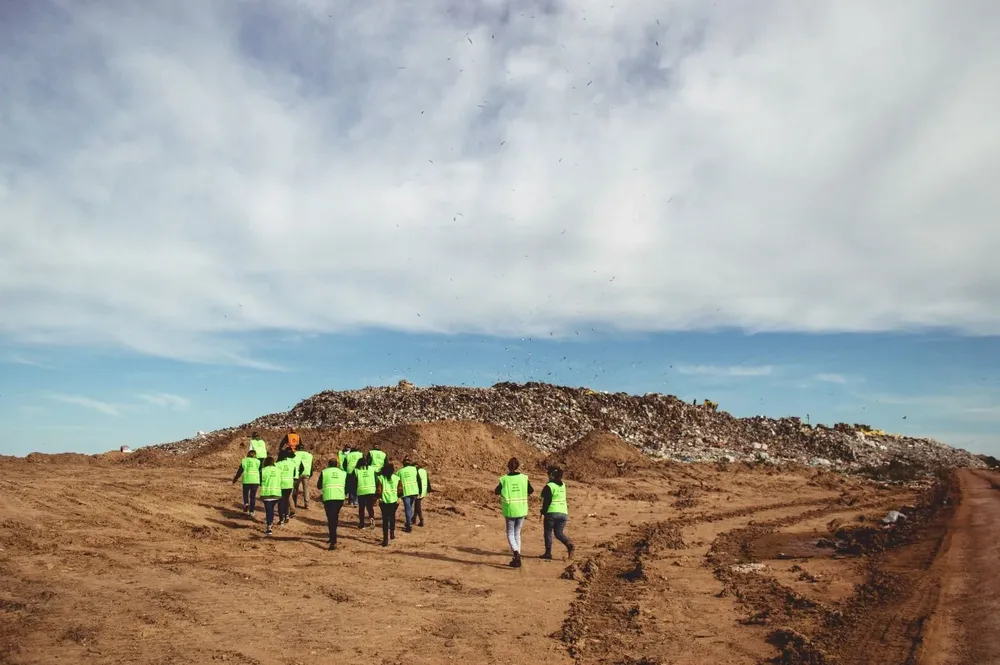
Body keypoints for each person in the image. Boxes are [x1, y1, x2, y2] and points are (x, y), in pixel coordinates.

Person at [495, 457, 533, 568]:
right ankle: (517, 557)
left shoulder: (504, 479)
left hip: (510, 510)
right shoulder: (524, 478)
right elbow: (531, 490)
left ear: (508, 466)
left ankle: (516, 554)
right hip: (522, 509)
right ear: (518, 466)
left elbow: (496, 491)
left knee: (510, 533)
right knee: (517, 533)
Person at [540, 465, 574, 560]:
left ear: (551, 475)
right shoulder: (563, 485)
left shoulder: (549, 486)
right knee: (559, 533)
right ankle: (569, 544)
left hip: (552, 512)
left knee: (548, 532)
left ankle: (548, 553)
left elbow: (547, 501)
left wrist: (543, 511)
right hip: (563, 512)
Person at [316, 460, 347, 550]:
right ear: (336, 465)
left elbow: (319, 486)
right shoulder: (343, 473)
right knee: (334, 517)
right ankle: (332, 537)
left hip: (329, 498)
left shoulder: (324, 472)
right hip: (340, 498)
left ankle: (333, 541)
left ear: (328, 464)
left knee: (331, 519)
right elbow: (348, 485)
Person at [376, 462, 401, 547]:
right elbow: (400, 490)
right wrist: (398, 498)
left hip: (384, 501)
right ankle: (392, 533)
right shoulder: (397, 478)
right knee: (392, 517)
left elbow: (378, 490)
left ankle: (385, 539)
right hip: (394, 501)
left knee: (385, 520)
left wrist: (378, 498)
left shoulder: (380, 478)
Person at [231, 449, 261, 518]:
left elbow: (240, 471)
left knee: (245, 493)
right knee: (253, 497)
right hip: (255, 481)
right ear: (255, 455)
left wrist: (235, 479)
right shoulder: (258, 461)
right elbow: (260, 471)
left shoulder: (244, 460)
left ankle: (246, 504)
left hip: (247, 480)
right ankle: (252, 512)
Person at [275, 449, 300, 525]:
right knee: (286, 501)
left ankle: (281, 519)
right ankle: (287, 516)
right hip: (289, 484)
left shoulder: (278, 464)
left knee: (281, 502)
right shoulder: (291, 463)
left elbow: (276, 475)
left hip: (281, 484)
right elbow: (294, 473)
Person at [258, 457, 282, 536]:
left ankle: (269, 527)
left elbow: (260, 482)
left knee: (269, 511)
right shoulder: (278, 470)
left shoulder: (263, 470)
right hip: (276, 493)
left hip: (267, 494)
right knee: (271, 510)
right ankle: (270, 524)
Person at [355, 453, 377, 529]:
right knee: (370, 507)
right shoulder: (371, 469)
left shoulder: (356, 470)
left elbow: (354, 481)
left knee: (361, 508)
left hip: (361, 491)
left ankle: (361, 524)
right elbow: (376, 479)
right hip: (371, 490)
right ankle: (372, 518)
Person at [398, 458, 420, 532]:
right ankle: (408, 522)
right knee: (410, 507)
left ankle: (409, 525)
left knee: (408, 508)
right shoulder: (414, 469)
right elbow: (418, 479)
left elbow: (397, 483)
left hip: (406, 492)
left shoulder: (400, 472)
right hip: (414, 491)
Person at [293, 443, 314, 510]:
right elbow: (312, 465)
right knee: (306, 488)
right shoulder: (309, 455)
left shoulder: (294, 454)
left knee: (295, 488)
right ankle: (307, 504)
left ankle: (294, 503)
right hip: (307, 473)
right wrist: (310, 473)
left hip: (297, 473)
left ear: (297, 448)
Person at [414, 462, 431, 527]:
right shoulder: (424, 471)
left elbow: (418, 482)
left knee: (418, 506)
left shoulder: (416, 472)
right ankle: (414, 518)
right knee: (417, 504)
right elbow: (427, 480)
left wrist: (419, 491)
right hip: (424, 491)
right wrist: (429, 490)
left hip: (419, 491)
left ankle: (421, 520)